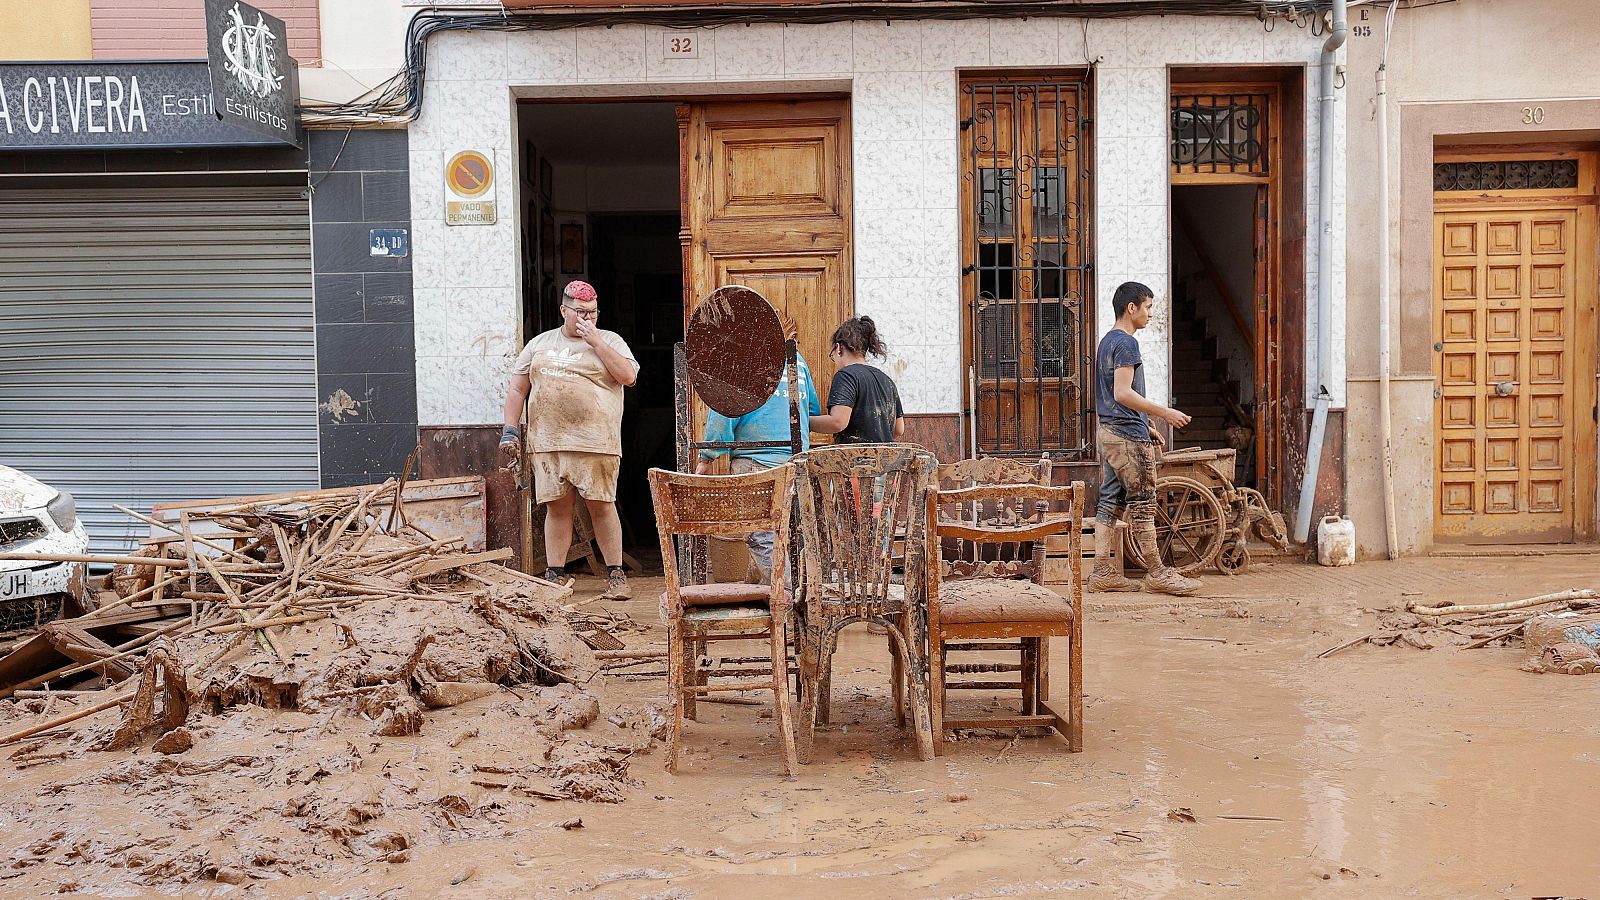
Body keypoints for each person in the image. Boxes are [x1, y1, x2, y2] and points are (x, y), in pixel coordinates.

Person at [500, 281, 639, 600]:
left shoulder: (611, 340)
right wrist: (510, 428)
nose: (587, 318)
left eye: (593, 313)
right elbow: (518, 389)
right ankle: (555, 575)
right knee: (557, 509)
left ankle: (616, 575)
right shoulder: (539, 344)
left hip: (596, 443)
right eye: (580, 312)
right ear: (564, 310)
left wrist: (596, 341)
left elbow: (628, 377)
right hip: (548, 443)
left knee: (602, 507)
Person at [1089, 282, 1201, 596]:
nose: (1151, 314)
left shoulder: (1106, 342)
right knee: (1143, 504)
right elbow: (1122, 393)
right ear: (1132, 308)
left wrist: (1147, 424)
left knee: (1110, 502)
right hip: (1126, 438)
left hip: (1110, 433)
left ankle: (1101, 572)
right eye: (1148, 307)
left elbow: (1114, 397)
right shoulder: (1126, 344)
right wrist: (1165, 414)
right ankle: (1157, 572)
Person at [694, 314, 822, 585]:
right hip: (796, 462)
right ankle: (777, 594)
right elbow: (810, 412)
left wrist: (706, 456)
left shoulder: (741, 360)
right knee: (790, 532)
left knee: (762, 535)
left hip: (756, 462)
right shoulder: (797, 362)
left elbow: (724, 413)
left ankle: (785, 598)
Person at [809, 316, 904, 443]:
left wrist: (801, 421)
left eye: (832, 355)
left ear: (839, 348)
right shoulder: (886, 380)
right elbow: (899, 429)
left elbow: (837, 422)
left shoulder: (846, 376)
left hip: (856, 459)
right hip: (885, 459)